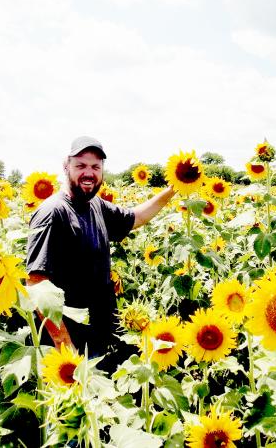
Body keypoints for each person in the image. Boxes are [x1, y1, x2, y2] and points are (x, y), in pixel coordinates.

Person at [26, 136, 175, 369]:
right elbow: (37, 283)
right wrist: (64, 346)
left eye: (95, 167)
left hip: (100, 328)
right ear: (66, 166)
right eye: (81, 166)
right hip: (73, 337)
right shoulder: (53, 212)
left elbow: (136, 218)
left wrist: (173, 189)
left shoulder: (96, 204)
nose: (89, 173)